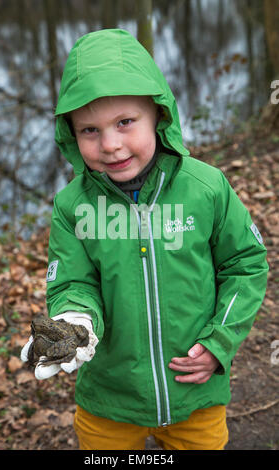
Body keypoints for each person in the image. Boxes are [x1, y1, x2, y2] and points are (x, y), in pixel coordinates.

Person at [21, 29, 268, 450]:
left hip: (194, 392)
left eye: (124, 122)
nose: (111, 145)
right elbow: (73, 283)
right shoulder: (71, 206)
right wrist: (76, 322)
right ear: (71, 134)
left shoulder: (206, 188)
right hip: (110, 401)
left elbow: (245, 265)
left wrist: (219, 342)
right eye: (89, 131)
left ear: (158, 113)